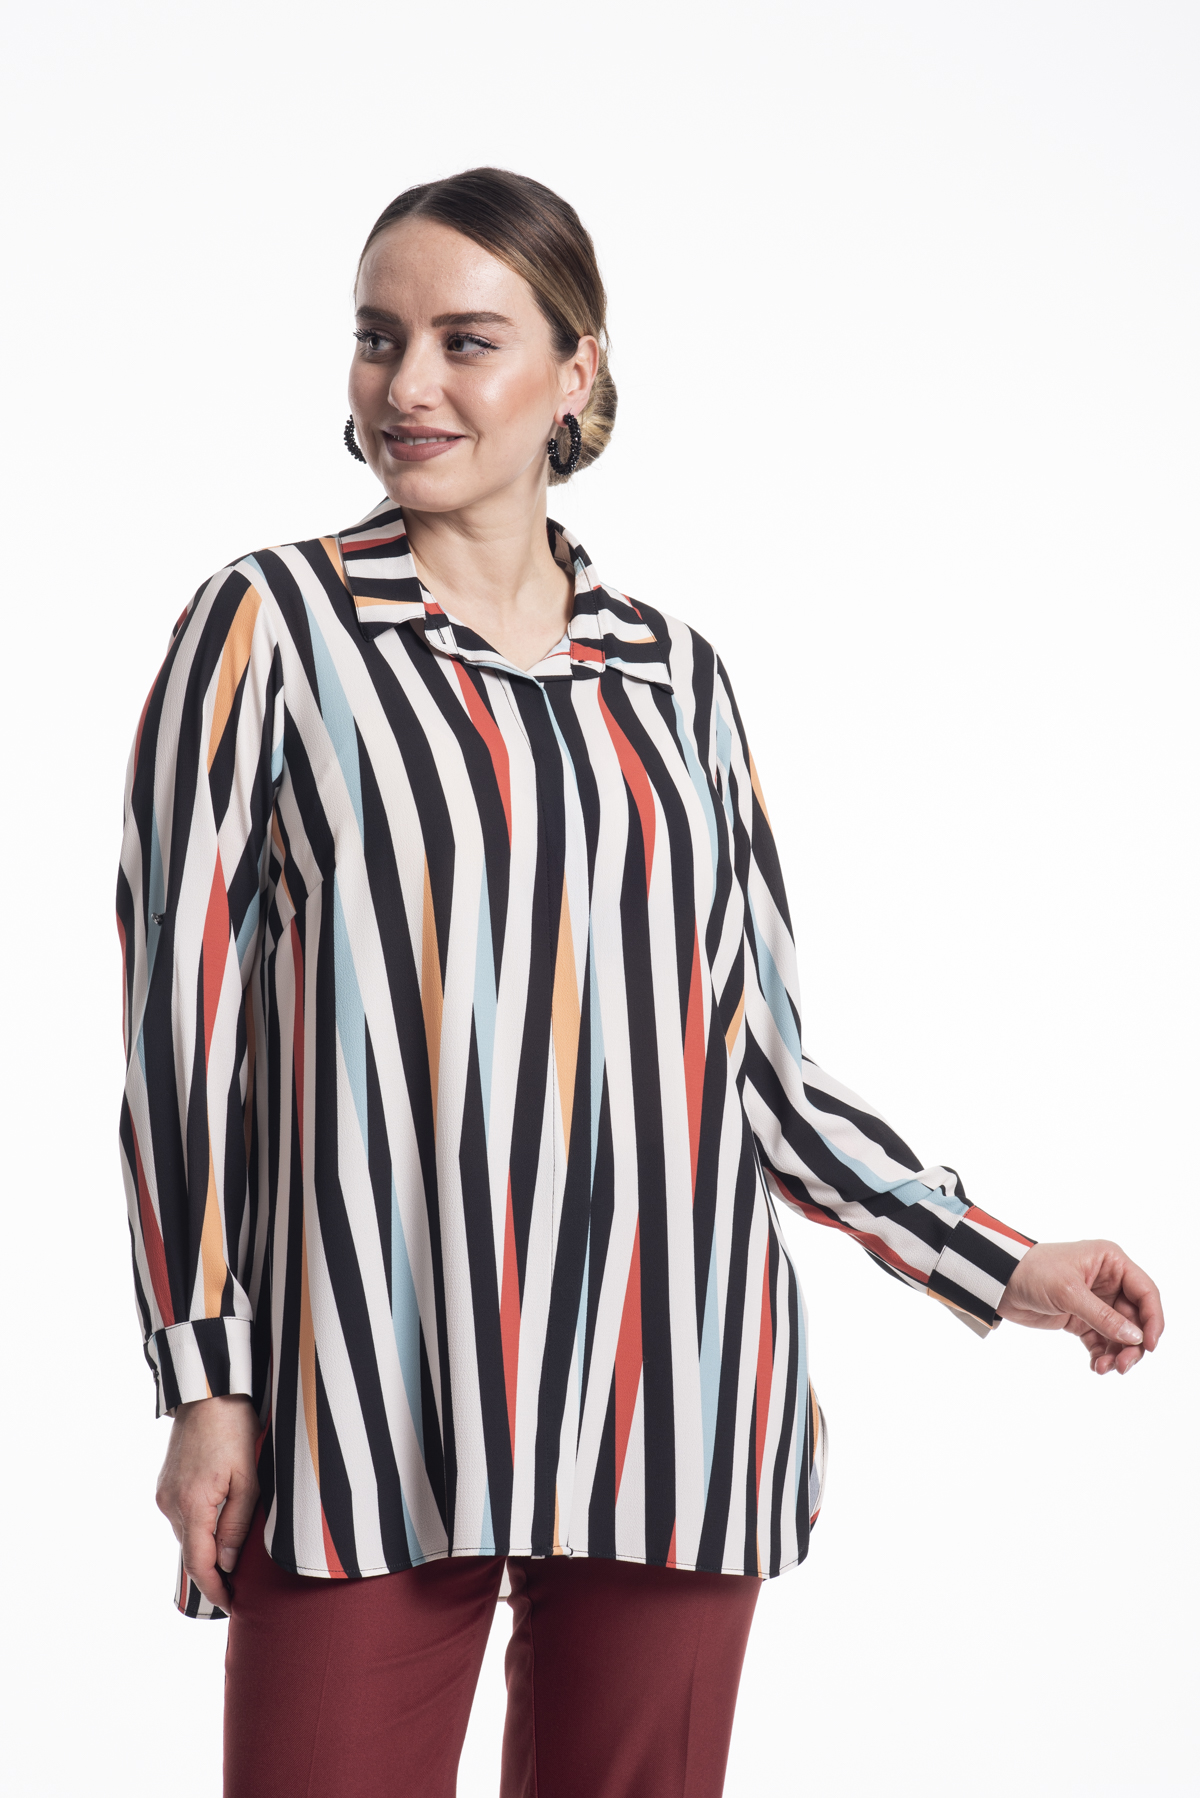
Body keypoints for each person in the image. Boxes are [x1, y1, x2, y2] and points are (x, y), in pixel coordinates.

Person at [118, 168, 1164, 1798]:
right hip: (365, 1401)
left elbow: (760, 1068)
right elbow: (177, 1037)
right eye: (378, 338)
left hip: (668, 1397)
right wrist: (206, 1381)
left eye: (467, 341)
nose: (408, 384)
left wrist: (997, 1260)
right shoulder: (267, 628)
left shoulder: (677, 678)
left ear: (576, 370)